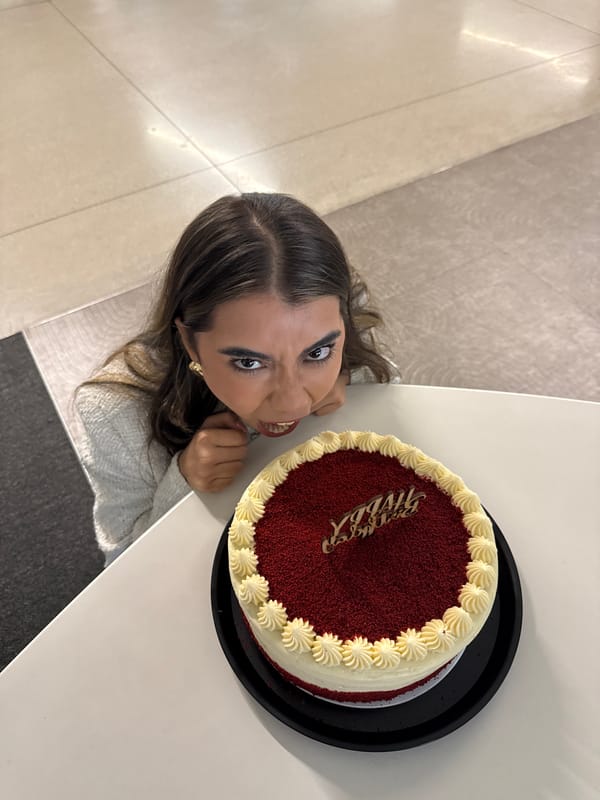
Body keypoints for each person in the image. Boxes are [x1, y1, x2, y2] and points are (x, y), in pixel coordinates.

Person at [76, 193, 396, 565]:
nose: (295, 403)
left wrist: (354, 382)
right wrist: (182, 484)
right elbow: (121, 562)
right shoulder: (114, 413)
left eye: (316, 353)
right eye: (248, 362)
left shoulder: (332, 311)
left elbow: (393, 387)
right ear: (189, 343)